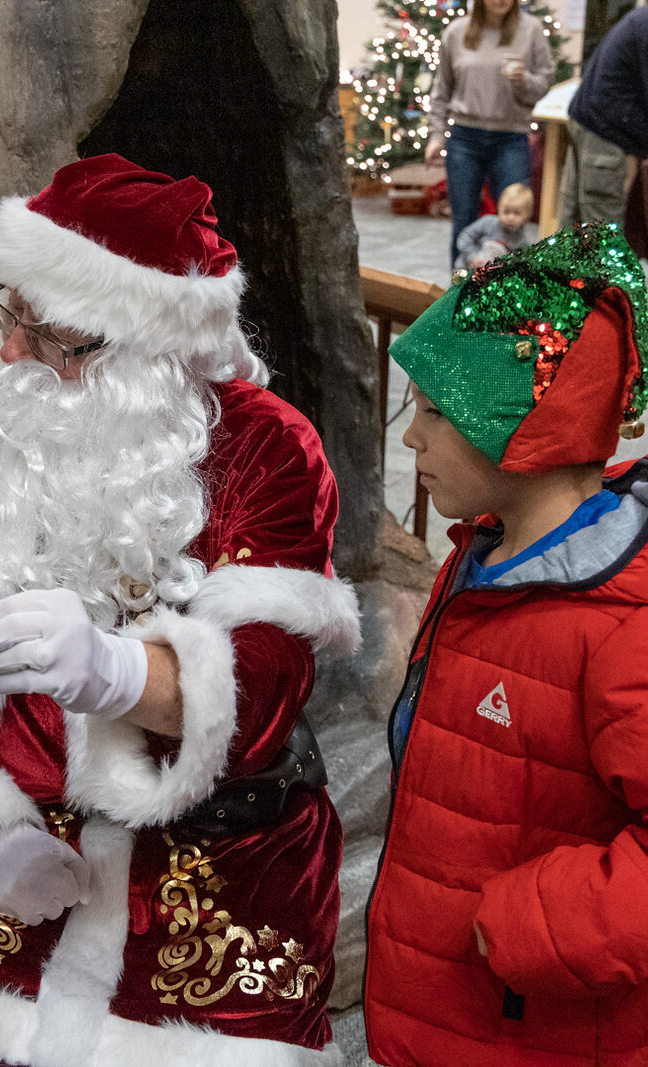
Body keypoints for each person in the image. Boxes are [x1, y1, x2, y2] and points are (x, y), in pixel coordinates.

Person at [0, 153, 361, 1066]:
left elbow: (264, 687)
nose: (10, 348)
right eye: (7, 308)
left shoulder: (263, 449)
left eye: (58, 338)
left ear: (154, 353)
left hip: (207, 897)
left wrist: (118, 671)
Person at [363, 222, 648, 1063]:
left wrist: (532, 930)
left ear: (529, 431)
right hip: (448, 1013)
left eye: (433, 411)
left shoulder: (621, 627)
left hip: (535, 1024)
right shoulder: (482, 558)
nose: (409, 438)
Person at [425, 0, 554, 266]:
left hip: (511, 138)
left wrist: (524, 80)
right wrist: (436, 135)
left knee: (514, 221)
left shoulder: (531, 30)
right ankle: (459, 296)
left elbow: (544, 82)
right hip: (464, 139)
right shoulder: (456, 32)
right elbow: (441, 91)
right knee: (463, 222)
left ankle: (508, 297)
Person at [560, 6, 648, 229]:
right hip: (604, 129)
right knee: (602, 229)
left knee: (576, 224)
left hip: (591, 121)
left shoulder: (641, 18)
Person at [454, 181, 534, 269]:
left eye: (517, 213)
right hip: (465, 269)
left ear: (527, 214)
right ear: (499, 208)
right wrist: (472, 257)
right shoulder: (487, 222)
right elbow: (465, 236)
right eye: (506, 212)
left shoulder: (522, 242)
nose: (511, 217)